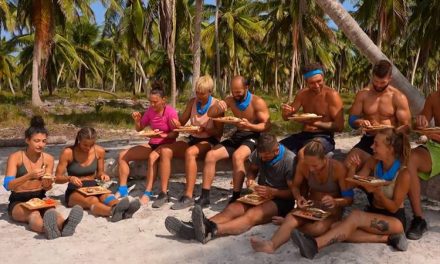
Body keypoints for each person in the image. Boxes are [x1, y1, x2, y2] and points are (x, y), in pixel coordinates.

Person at [291, 128, 411, 259]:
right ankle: (388, 239)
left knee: (355, 216)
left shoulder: (403, 173)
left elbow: (394, 207)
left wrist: (378, 193)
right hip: (374, 214)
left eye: (376, 144)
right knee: (336, 227)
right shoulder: (373, 162)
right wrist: (352, 168)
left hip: (395, 220)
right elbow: (351, 185)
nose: (371, 146)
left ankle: (314, 246)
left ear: (391, 149)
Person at [164, 133, 296, 243]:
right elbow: (253, 170)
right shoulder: (260, 152)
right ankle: (196, 227)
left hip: (281, 200)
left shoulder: (289, 161)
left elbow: (293, 194)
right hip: (260, 194)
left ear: (276, 150)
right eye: (261, 156)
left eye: (266, 157)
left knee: (252, 215)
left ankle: (213, 230)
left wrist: (273, 192)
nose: (263, 159)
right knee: (232, 208)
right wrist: (250, 178)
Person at [250, 139, 352, 253]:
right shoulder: (304, 165)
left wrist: (336, 201)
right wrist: (298, 197)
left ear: (325, 159)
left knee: (317, 229)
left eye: (315, 165)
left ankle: (289, 227)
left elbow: (349, 199)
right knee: (291, 218)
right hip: (311, 205)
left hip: (332, 210)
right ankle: (271, 245)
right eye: (308, 165)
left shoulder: (338, 168)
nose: (311, 169)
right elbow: (295, 186)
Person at [3, 116, 83, 239]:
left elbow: (47, 187)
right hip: (18, 200)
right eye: (37, 141)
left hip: (39, 197)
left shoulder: (48, 159)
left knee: (52, 212)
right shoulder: (16, 157)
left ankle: (65, 225)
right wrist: (29, 175)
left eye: (44, 141)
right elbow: (8, 186)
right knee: (33, 214)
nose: (41, 144)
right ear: (27, 140)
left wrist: (47, 183)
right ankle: (47, 229)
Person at [196, 75, 271, 206]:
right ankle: (205, 195)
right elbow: (210, 114)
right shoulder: (230, 100)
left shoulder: (257, 102)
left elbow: (267, 125)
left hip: (254, 135)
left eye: (238, 92)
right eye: (233, 91)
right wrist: (219, 107)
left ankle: (236, 195)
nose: (235, 95)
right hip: (238, 135)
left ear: (246, 88)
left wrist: (250, 126)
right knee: (211, 155)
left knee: (238, 156)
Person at [155, 75, 224, 209]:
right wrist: (175, 122)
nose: (199, 95)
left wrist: (205, 129)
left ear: (210, 92)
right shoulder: (193, 102)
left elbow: (218, 132)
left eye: (202, 93)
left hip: (209, 140)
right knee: (165, 150)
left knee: (190, 152)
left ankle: (188, 195)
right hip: (194, 138)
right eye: (197, 92)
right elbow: (182, 122)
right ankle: (163, 193)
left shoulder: (216, 105)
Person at [55, 127, 140, 222]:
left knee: (107, 196)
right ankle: (112, 211)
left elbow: (100, 173)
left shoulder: (99, 151)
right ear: (79, 140)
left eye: (91, 145)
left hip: (93, 186)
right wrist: (70, 178)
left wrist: (103, 176)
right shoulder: (68, 152)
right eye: (85, 145)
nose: (88, 148)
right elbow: (57, 178)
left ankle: (122, 209)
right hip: (74, 189)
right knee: (92, 200)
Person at [115, 81, 179, 205]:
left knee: (152, 157)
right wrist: (137, 121)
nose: (152, 104)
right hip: (153, 144)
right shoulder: (150, 111)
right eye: (150, 102)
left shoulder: (170, 112)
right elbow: (140, 129)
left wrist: (163, 135)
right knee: (123, 155)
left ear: (163, 100)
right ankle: (123, 189)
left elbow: (175, 134)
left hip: (167, 145)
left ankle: (148, 192)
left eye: (155, 102)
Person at [346, 60, 411, 167]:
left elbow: (407, 128)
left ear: (390, 79)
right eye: (376, 81)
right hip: (369, 140)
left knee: (380, 169)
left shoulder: (398, 97)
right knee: (348, 165)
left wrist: (387, 130)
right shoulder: (363, 95)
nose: (379, 85)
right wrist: (360, 122)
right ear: (372, 76)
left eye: (383, 82)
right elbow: (352, 121)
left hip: (391, 142)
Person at [280, 63, 344, 156]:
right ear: (306, 81)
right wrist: (286, 113)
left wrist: (313, 123)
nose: (317, 85)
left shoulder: (332, 95)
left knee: (303, 154)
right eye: (312, 83)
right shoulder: (302, 94)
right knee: (275, 149)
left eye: (319, 81)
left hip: (324, 137)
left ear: (323, 78)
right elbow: (286, 117)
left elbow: (340, 126)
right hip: (303, 135)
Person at [405, 89, 440, 239]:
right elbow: (418, 127)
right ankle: (419, 219)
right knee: (410, 158)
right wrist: (420, 122)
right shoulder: (434, 98)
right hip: (436, 148)